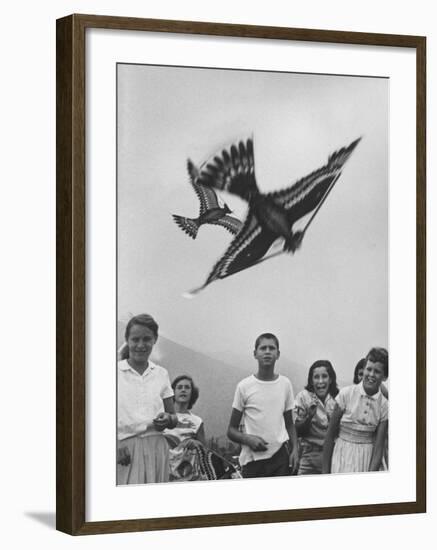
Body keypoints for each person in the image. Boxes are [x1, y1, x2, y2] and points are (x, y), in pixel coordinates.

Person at [117, 314, 178, 484]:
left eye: (147, 339)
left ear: (155, 340)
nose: (140, 345)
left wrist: (167, 419)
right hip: (124, 450)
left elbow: (173, 418)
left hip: (157, 448)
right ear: (127, 340)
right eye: (135, 339)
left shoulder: (161, 374)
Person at [227, 333, 299, 478]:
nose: (267, 352)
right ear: (255, 354)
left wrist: (295, 450)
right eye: (263, 348)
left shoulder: (285, 384)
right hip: (253, 461)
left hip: (280, 458)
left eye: (271, 348)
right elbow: (231, 430)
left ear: (278, 354)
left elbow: (289, 424)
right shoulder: (244, 386)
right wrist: (248, 439)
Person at [322, 347, 388, 474]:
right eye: (369, 369)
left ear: (384, 377)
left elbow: (379, 448)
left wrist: (370, 476)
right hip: (341, 455)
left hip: (365, 459)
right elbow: (330, 436)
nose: (371, 375)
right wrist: (325, 473)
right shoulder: (346, 394)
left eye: (377, 371)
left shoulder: (384, 406)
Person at [294, 360, 339, 475]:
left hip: (333, 454)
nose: (320, 381)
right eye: (316, 377)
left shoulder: (338, 398)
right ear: (311, 380)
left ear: (331, 379)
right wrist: (309, 417)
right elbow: (297, 430)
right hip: (309, 455)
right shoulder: (303, 396)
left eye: (324, 376)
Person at [164, 375, 207, 481]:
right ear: (172, 392)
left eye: (187, 387)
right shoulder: (164, 417)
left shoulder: (197, 421)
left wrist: (196, 444)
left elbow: (205, 451)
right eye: (179, 387)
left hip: (188, 476)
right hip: (164, 472)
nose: (183, 390)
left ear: (192, 393)